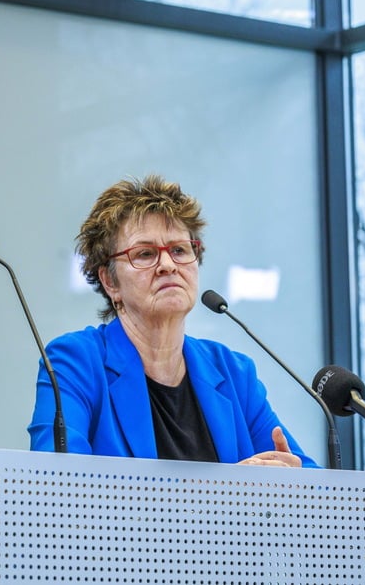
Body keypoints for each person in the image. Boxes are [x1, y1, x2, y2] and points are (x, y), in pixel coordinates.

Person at [28, 175, 317, 467]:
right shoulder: (76, 361)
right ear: (110, 281)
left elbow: (313, 485)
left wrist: (292, 483)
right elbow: (56, 488)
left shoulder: (233, 372)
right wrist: (228, 494)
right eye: (144, 254)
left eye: (179, 250)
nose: (167, 265)